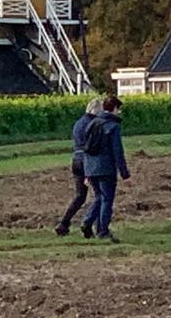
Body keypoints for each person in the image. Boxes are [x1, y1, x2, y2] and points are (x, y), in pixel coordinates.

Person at [81, 95, 131, 242]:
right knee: (107, 199)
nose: (119, 113)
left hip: (90, 167)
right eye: (119, 109)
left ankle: (87, 221)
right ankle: (102, 231)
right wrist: (124, 172)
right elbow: (117, 151)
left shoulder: (92, 123)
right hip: (106, 168)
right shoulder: (113, 126)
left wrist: (86, 170)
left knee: (98, 197)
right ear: (114, 108)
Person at [55, 96, 104, 237]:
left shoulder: (78, 123)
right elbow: (93, 145)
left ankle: (64, 223)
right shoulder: (94, 124)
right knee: (100, 195)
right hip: (87, 161)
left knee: (80, 196)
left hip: (76, 159)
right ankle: (90, 224)